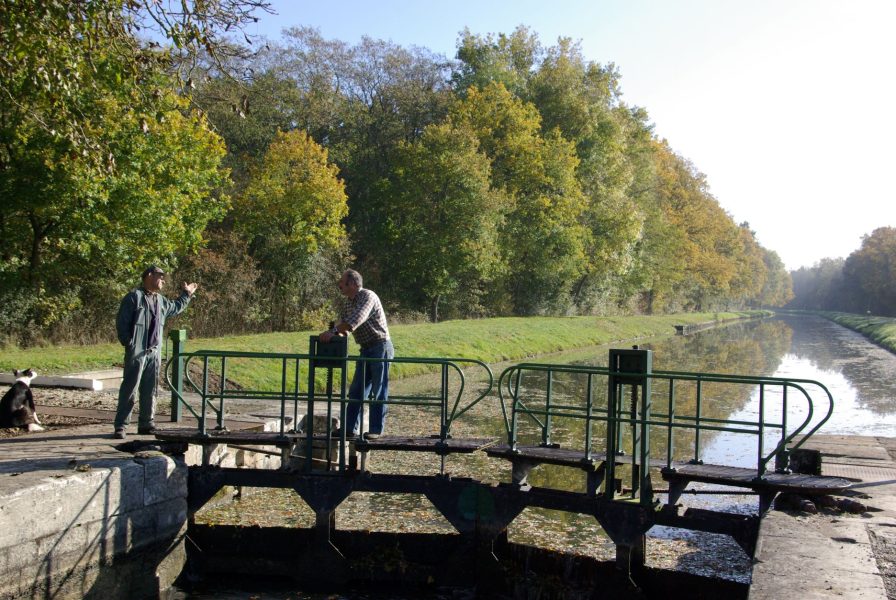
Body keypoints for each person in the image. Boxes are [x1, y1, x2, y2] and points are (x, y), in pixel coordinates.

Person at [113, 265, 197, 439]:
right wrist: (129, 342)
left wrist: (186, 294)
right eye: (160, 276)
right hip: (137, 351)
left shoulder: (161, 300)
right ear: (149, 276)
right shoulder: (133, 297)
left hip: (154, 352)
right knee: (130, 389)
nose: (163, 280)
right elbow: (122, 323)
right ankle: (121, 425)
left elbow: (175, 307)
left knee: (150, 389)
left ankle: (146, 423)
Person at [319, 269, 394, 439]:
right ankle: (349, 428)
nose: (339, 286)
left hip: (380, 347)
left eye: (342, 283)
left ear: (352, 284)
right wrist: (330, 336)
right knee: (356, 391)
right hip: (365, 349)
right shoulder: (348, 303)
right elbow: (344, 328)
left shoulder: (368, 296)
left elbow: (356, 320)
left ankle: (376, 430)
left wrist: (332, 331)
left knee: (378, 390)